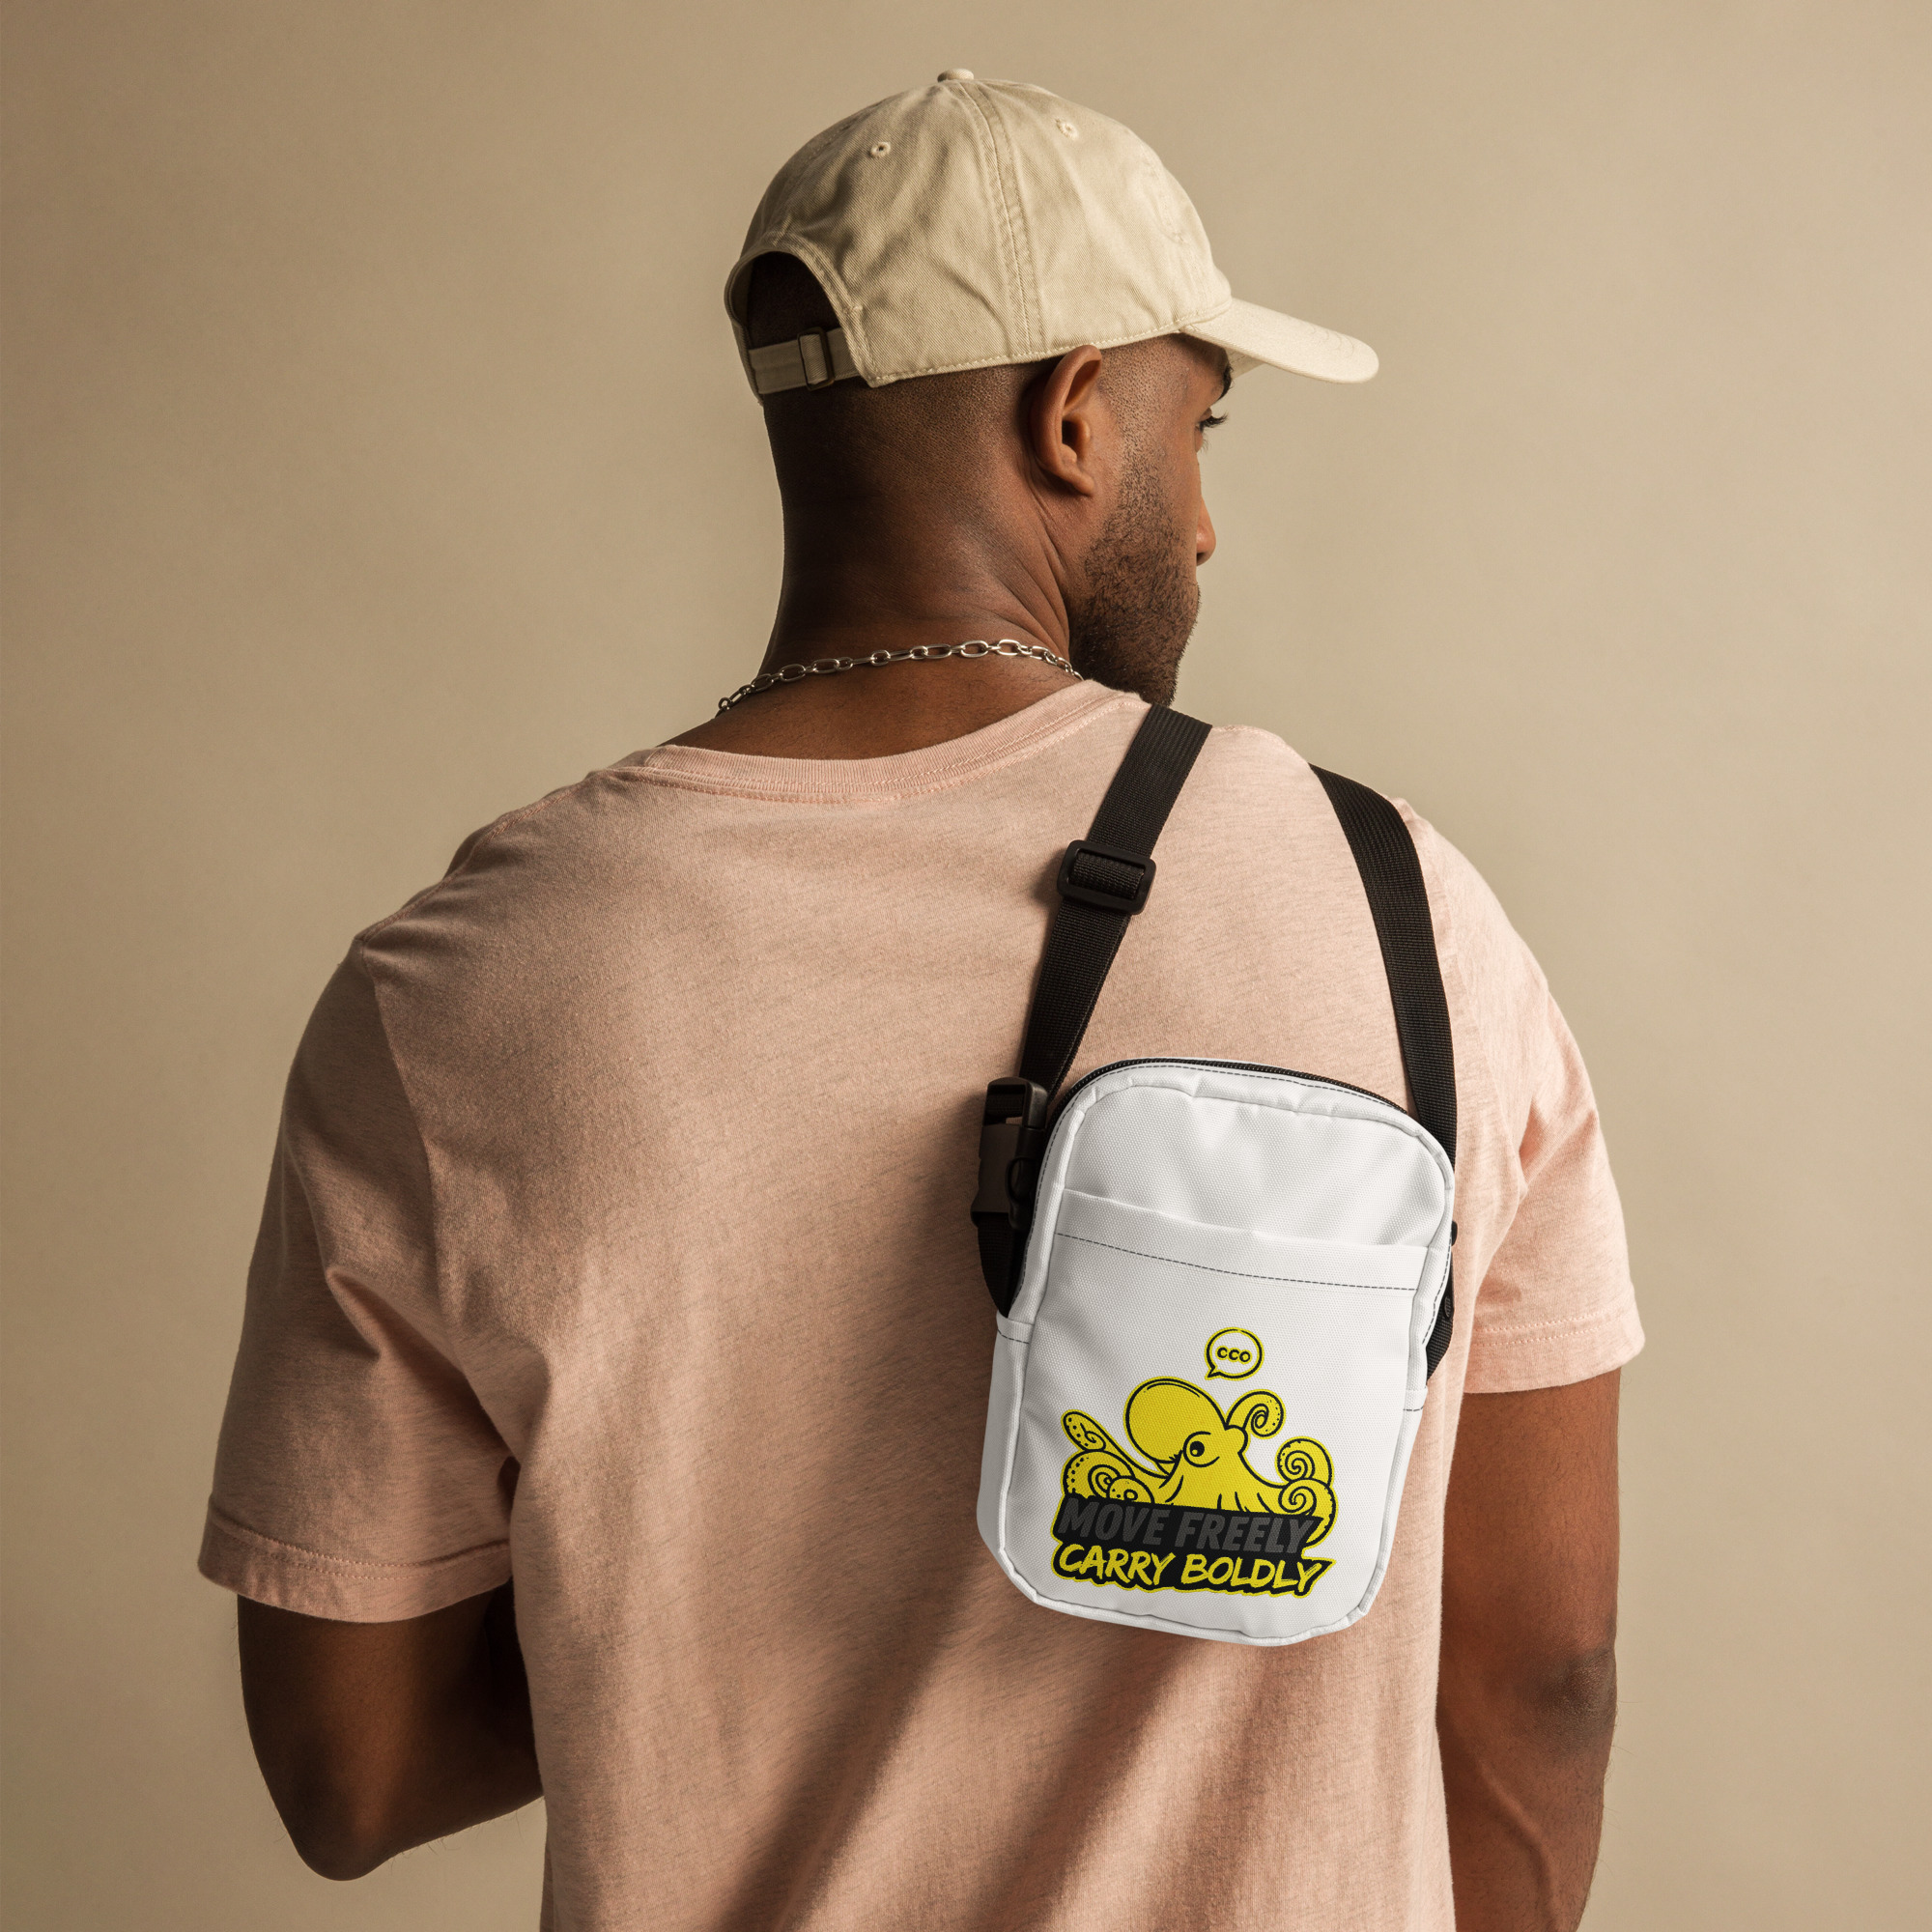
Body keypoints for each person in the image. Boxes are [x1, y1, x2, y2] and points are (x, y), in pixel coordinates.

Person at [203, 72, 1641, 1932]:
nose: (1207, 523)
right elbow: (1539, 1681)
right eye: (1200, 424)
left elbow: (356, 1770)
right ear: (1073, 414)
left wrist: (673, 1587)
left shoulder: (452, 988)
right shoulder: (1403, 915)